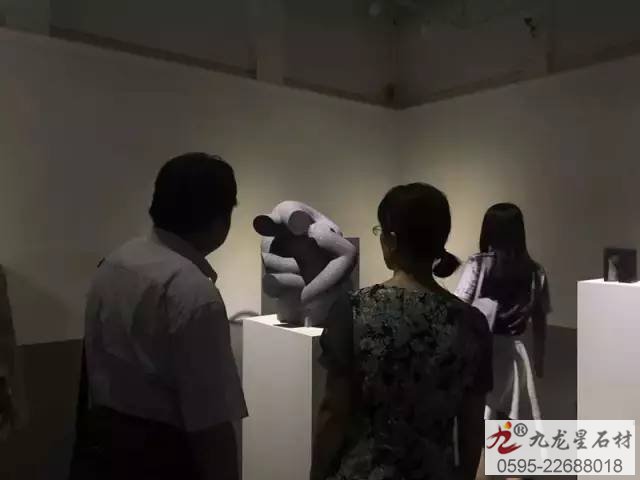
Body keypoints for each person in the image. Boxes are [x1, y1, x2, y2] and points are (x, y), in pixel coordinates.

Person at [76, 153, 247, 480]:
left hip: (104, 451)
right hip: (165, 458)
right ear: (219, 220)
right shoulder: (192, 292)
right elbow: (211, 423)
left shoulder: (115, 262)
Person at [311, 183, 493, 480]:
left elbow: (334, 411)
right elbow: (472, 425)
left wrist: (317, 472)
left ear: (392, 240)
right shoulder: (471, 323)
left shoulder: (354, 309)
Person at [455, 203, 550, 422]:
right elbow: (540, 320)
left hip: (481, 352)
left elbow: (458, 309)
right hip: (515, 354)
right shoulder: (535, 271)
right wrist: (539, 360)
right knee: (506, 420)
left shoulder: (478, 264)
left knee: (480, 418)